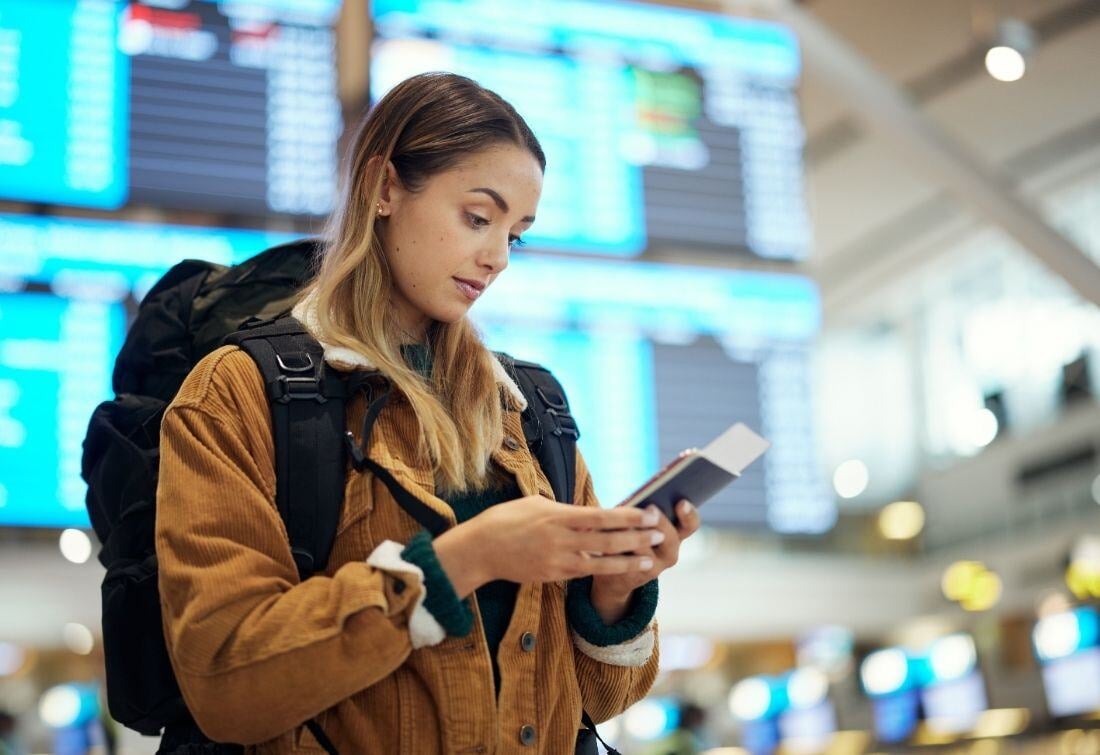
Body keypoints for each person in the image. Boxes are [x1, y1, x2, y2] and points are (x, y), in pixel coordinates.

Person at [155, 71, 700, 753]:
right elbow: (229, 684)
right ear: (385, 187)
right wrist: (462, 561)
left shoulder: (527, 411)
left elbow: (594, 699)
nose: (497, 257)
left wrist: (616, 592)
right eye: (477, 217)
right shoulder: (238, 393)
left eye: (517, 234)